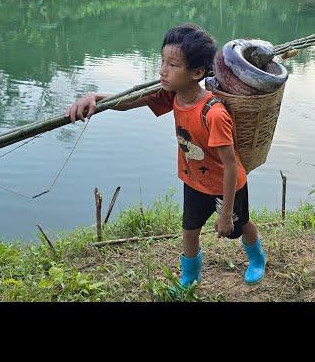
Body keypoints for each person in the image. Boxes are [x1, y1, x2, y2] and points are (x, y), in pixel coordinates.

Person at [65, 23, 266, 289]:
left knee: (241, 225)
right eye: (162, 61)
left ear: (196, 73)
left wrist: (227, 212)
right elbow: (130, 101)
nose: (162, 70)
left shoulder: (213, 114)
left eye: (172, 65)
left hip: (226, 185)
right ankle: (190, 277)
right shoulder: (172, 95)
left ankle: (257, 259)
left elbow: (230, 166)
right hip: (194, 181)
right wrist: (95, 97)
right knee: (190, 229)